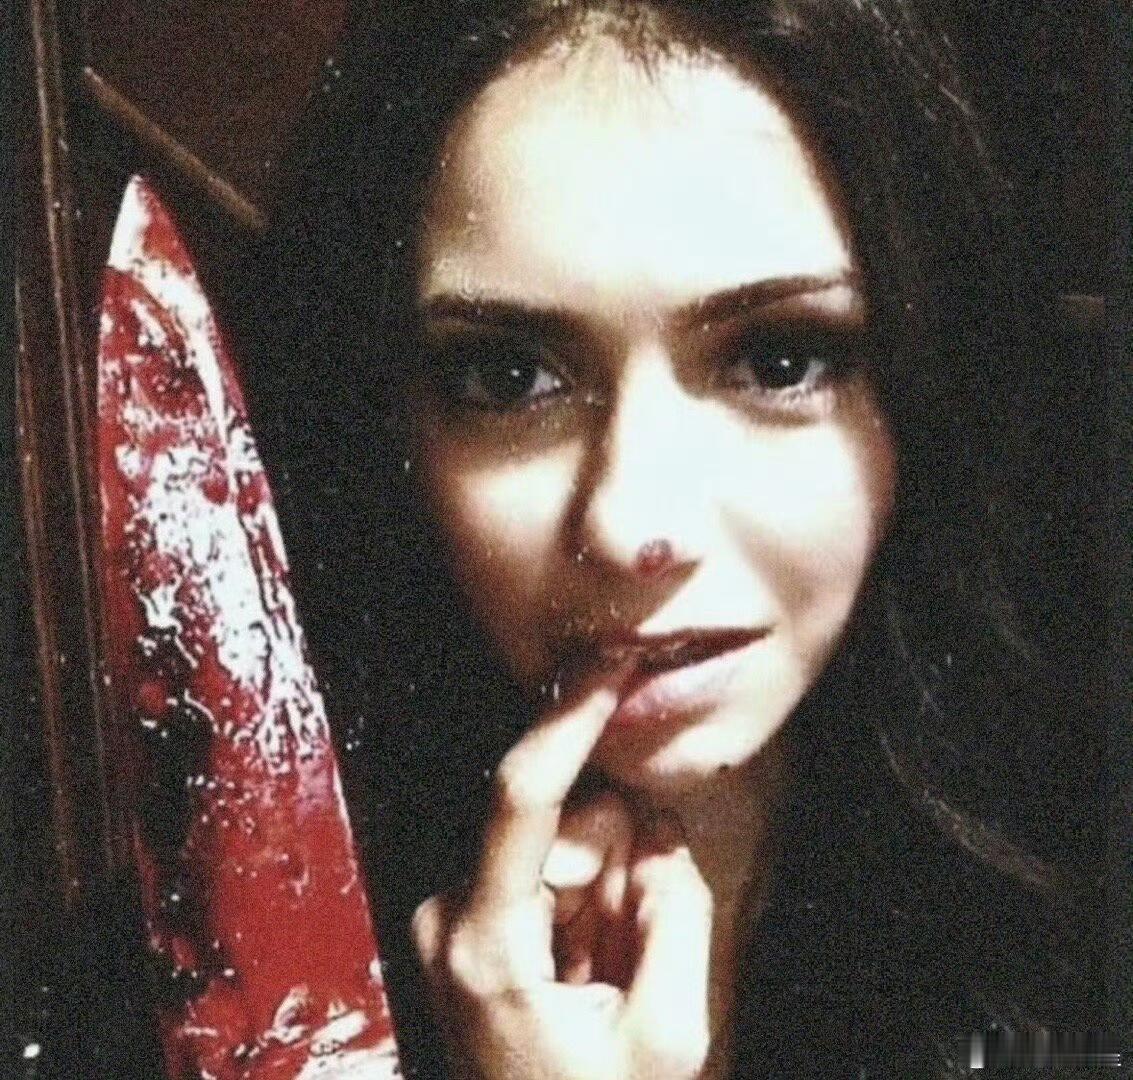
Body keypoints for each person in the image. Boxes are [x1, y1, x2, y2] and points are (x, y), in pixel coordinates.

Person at [240, 1, 1106, 1076]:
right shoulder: (214, 971)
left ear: (927, 382)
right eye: (509, 377)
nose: (630, 525)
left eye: (777, 362)